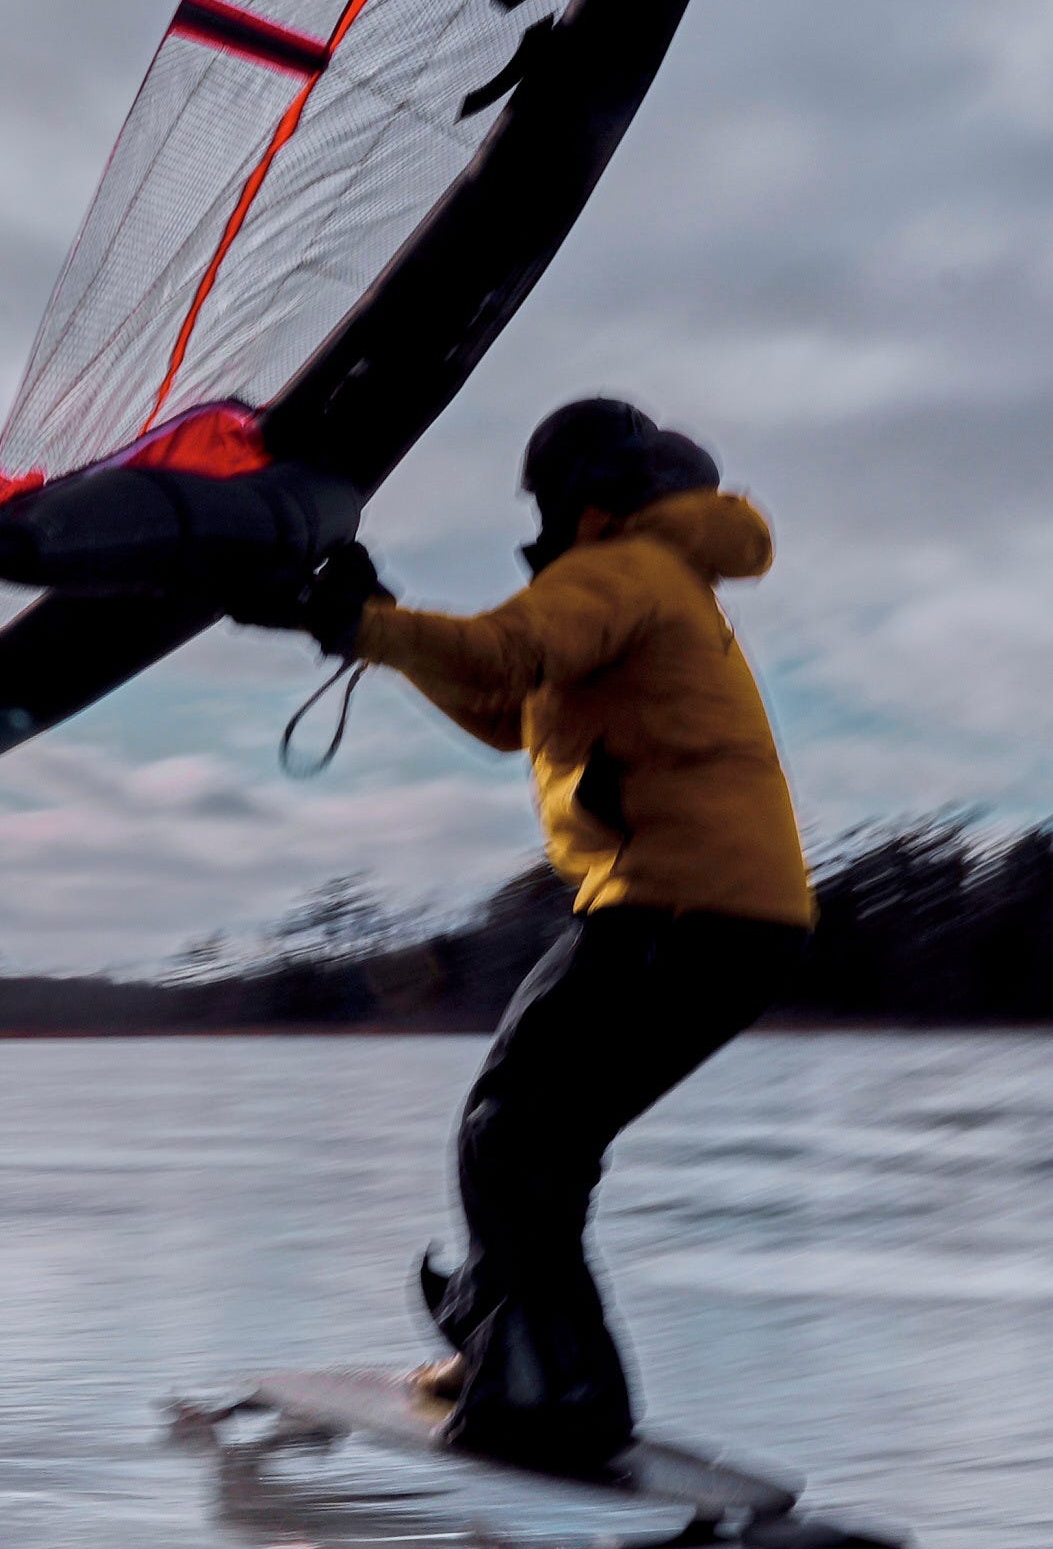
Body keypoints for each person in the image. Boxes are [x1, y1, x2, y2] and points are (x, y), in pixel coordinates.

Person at [230, 398, 814, 1469]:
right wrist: (385, 625)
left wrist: (355, 622)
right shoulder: (649, 580)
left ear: (580, 501)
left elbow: (503, 651)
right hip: (716, 912)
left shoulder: (624, 568)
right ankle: (506, 1344)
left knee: (510, 1135)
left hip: (678, 906)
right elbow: (510, 707)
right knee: (537, 1137)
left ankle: (558, 1395)